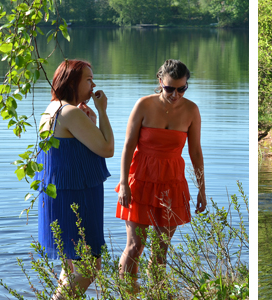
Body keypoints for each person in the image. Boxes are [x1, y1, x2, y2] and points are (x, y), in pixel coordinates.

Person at [116, 59, 207, 290]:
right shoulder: (143, 105)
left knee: (161, 248)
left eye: (181, 89)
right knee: (136, 245)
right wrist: (124, 184)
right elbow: (128, 146)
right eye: (169, 89)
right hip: (141, 180)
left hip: (172, 183)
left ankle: (156, 293)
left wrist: (201, 189)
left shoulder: (191, 110)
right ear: (160, 82)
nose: (175, 94)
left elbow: (195, 152)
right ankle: (128, 292)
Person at [35, 59, 114, 298]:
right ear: (73, 82)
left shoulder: (52, 109)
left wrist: (90, 123)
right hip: (75, 197)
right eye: (88, 80)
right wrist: (102, 112)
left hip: (62, 194)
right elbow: (107, 148)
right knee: (90, 266)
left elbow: (77, 150)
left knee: (72, 265)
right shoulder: (69, 112)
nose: (93, 85)